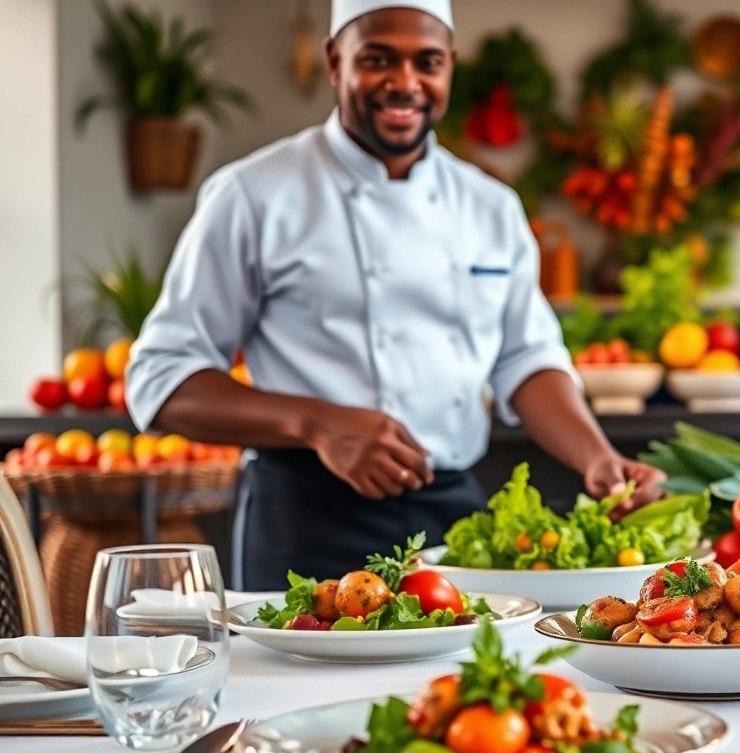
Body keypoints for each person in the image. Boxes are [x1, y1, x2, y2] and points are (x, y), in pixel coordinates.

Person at [125, 0, 666, 590]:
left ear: (450, 66)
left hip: (454, 517)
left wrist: (597, 458)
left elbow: (524, 360)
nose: (404, 83)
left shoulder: (490, 206)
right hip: (304, 518)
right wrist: (318, 425)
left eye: (426, 62)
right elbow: (160, 377)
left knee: (465, 685)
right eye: (378, 59)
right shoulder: (253, 195)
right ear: (335, 61)